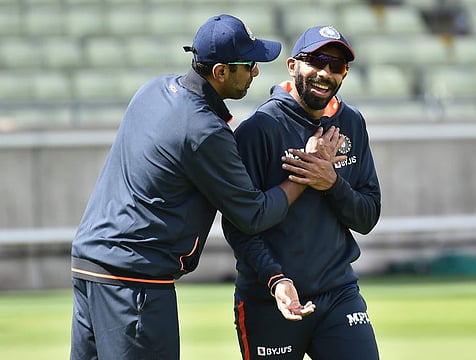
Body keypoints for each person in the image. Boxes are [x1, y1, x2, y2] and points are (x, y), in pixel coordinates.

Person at [69, 14, 336, 360]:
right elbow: (253, 215)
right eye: (249, 64)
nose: (256, 72)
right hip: (134, 280)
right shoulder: (204, 130)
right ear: (221, 72)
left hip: (89, 264)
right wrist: (306, 171)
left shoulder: (154, 88)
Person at [222, 25, 382, 359]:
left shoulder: (351, 122)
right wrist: (277, 279)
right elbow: (237, 225)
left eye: (336, 66)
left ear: (345, 73)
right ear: (292, 65)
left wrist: (331, 183)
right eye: (316, 61)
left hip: (339, 292)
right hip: (270, 299)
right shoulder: (258, 129)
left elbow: (367, 216)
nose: (325, 73)